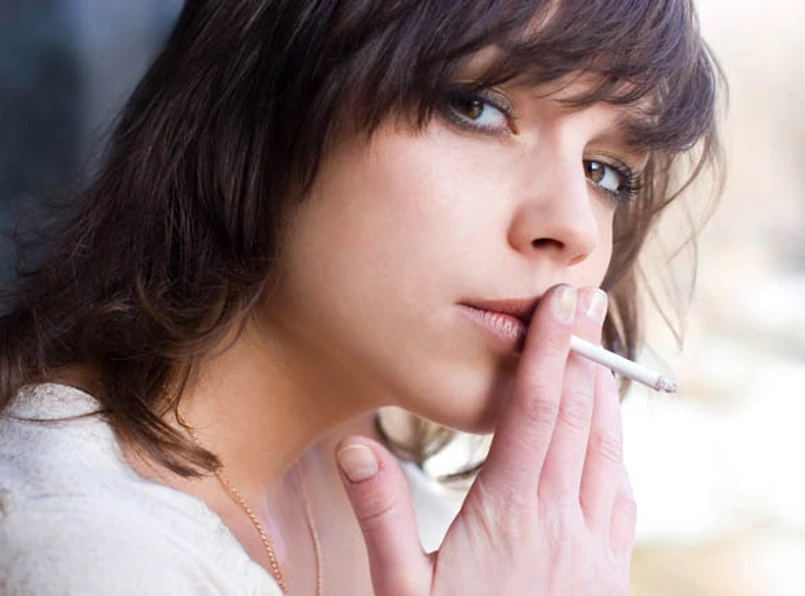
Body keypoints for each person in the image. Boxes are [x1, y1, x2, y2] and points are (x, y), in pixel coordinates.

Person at [0, 0, 721, 594]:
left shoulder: (409, 506)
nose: (573, 226)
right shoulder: (89, 552)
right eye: (475, 106)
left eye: (604, 171)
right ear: (270, 91)